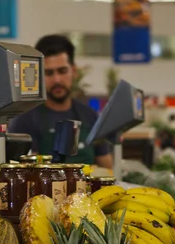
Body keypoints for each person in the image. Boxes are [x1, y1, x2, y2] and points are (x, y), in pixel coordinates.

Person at [7, 35, 113, 168]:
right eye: (49, 73)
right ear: (39, 75)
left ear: (73, 71)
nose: (57, 79)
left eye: (62, 71)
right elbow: (26, 172)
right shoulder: (25, 121)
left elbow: (107, 167)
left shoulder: (90, 116)